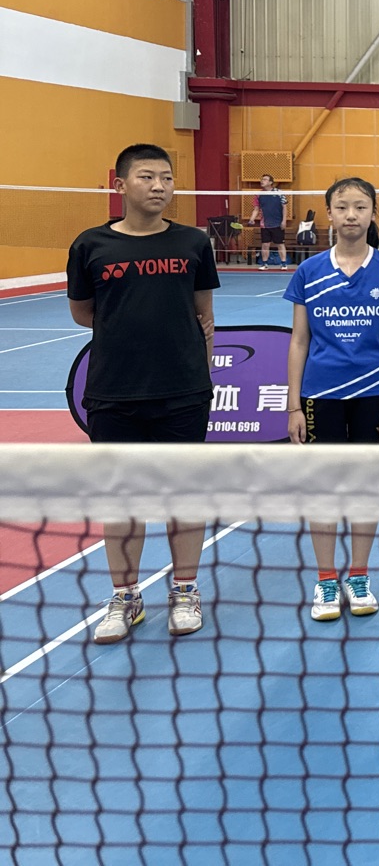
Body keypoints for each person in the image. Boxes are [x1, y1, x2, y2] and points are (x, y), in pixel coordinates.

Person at [70, 144, 219, 645]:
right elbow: (84, 313)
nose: (159, 186)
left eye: (167, 178)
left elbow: (203, 314)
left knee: (184, 495)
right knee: (121, 500)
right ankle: (126, 597)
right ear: (121, 184)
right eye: (147, 176)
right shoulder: (90, 245)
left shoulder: (193, 243)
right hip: (114, 392)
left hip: (183, 392)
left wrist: (197, 371)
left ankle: (185, 590)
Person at [284, 176, 379, 622]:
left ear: (373, 213)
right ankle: (325, 579)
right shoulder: (309, 271)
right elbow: (299, 341)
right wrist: (294, 405)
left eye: (360, 206)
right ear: (329, 214)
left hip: (375, 393)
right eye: (342, 207)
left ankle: (358, 575)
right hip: (321, 395)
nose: (351, 214)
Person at [249, 172, 288, 270]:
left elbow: (284, 207)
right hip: (265, 224)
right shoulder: (259, 195)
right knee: (265, 244)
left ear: (270, 182)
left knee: (280, 244)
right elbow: (256, 209)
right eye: (262, 179)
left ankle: (283, 264)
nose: (262, 181)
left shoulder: (279, 192)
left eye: (265, 179)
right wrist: (252, 219)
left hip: (277, 223)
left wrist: (284, 221)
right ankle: (264, 264)